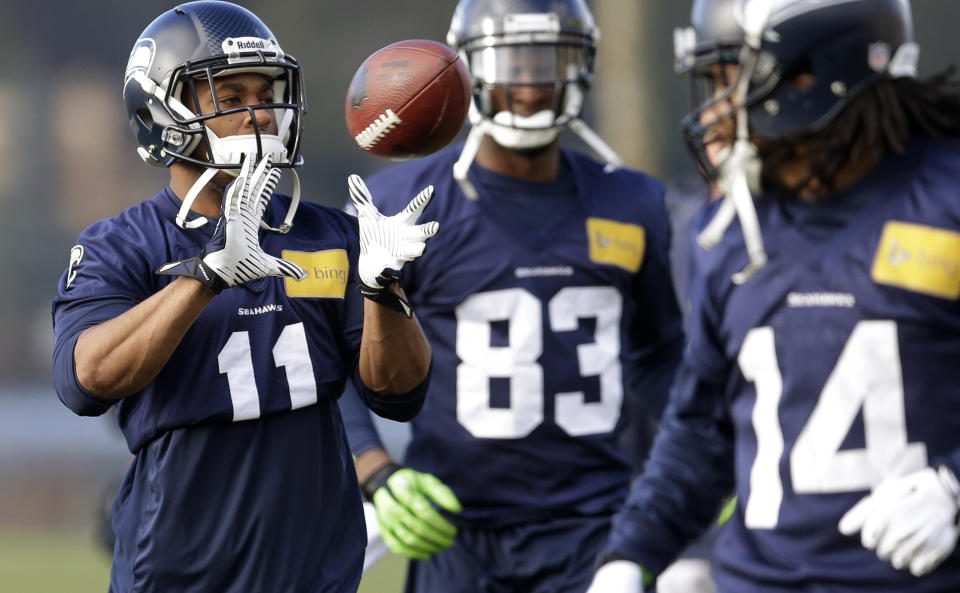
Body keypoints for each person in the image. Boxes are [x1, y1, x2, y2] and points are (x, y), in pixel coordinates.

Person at [50, 2, 439, 592]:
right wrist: (204, 277)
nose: (261, 113)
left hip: (318, 572)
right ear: (162, 110)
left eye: (268, 92)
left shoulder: (330, 235)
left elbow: (398, 394)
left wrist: (383, 289)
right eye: (230, 98)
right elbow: (86, 381)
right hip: (178, 571)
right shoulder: (121, 245)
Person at [587, 0, 960, 591]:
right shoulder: (733, 233)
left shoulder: (946, 203)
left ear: (811, 74)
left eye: (730, 76)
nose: (715, 109)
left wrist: (954, 488)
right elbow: (701, 432)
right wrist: (629, 555)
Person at [338, 0, 685, 592]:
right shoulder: (405, 201)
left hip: (599, 528)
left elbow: (663, 357)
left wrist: (686, 468)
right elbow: (339, 360)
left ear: (581, 66)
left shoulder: (634, 202)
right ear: (469, 71)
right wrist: (377, 472)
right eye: (512, 64)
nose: (530, 87)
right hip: (455, 531)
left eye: (548, 63)